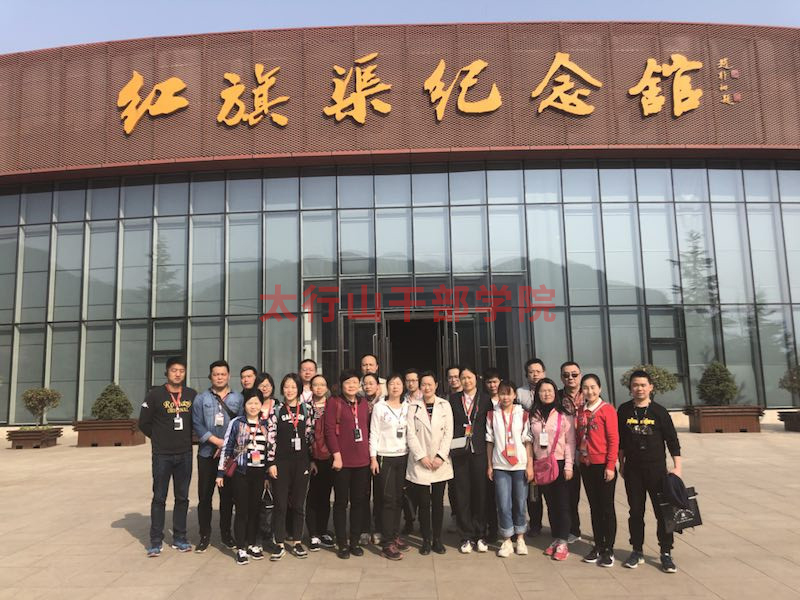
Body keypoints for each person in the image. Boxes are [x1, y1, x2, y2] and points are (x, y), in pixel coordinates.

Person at [618, 370, 682, 574]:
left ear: (651, 387)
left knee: (662, 512)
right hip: (633, 471)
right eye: (635, 385)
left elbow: (672, 440)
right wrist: (621, 464)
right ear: (630, 388)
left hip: (657, 471)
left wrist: (677, 467)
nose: (639, 388)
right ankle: (636, 550)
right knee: (635, 512)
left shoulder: (659, 412)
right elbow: (620, 441)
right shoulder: (624, 410)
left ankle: (666, 552)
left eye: (643, 385)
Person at [139, 357, 197, 557]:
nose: (178, 374)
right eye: (174, 370)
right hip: (162, 455)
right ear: (166, 372)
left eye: (181, 370)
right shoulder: (155, 395)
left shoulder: (191, 394)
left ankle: (180, 537)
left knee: (182, 498)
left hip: (185, 454)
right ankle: (156, 541)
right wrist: (159, 438)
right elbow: (143, 423)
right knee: (159, 497)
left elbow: (197, 420)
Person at [191, 360, 244, 552]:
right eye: (216, 374)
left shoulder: (238, 398)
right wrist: (217, 442)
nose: (219, 377)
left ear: (228, 376)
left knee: (227, 497)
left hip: (228, 457)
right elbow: (197, 424)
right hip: (207, 454)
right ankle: (204, 535)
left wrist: (226, 446)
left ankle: (226, 534)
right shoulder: (201, 398)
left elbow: (241, 423)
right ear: (210, 376)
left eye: (223, 374)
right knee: (205, 496)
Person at [215, 388, 269, 565]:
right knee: (242, 511)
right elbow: (227, 448)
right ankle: (241, 548)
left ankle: (252, 544)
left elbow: (270, 450)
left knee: (255, 510)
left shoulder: (266, 424)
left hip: (259, 473)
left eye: (256, 403)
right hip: (241, 473)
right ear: (244, 405)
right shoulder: (237, 423)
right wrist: (220, 472)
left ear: (261, 405)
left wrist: (267, 475)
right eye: (250, 403)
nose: (253, 406)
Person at [265, 373, 315, 560]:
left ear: (299, 389)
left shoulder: (306, 409)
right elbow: (271, 437)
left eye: (293, 387)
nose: (290, 390)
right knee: (280, 504)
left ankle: (297, 542)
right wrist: (271, 463)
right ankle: (279, 543)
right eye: (286, 386)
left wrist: (312, 460)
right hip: (281, 463)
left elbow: (310, 435)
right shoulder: (277, 410)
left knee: (299, 504)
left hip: (301, 462)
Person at [324, 369, 371, 559]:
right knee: (341, 503)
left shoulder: (363, 403)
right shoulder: (334, 402)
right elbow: (329, 430)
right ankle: (342, 543)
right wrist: (336, 455)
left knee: (359, 502)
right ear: (341, 385)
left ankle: (355, 541)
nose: (351, 386)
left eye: (354, 382)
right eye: (348, 382)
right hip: (342, 461)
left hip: (362, 461)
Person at [406, 371, 454, 555]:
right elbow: (410, 434)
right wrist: (421, 456)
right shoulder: (413, 407)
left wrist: (441, 456)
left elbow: (448, 433)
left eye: (430, 384)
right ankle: (426, 539)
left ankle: (437, 539)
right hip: (421, 462)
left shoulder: (444, 405)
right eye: (423, 384)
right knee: (424, 503)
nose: (426, 387)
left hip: (440, 462)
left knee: (438, 502)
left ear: (436, 385)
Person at [527, 377, 575, 561]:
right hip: (541, 464)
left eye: (549, 390)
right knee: (550, 503)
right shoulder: (533, 415)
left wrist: (569, 465)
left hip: (559, 462)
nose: (546, 394)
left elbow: (570, 442)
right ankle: (556, 538)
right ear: (537, 394)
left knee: (562, 503)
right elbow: (530, 441)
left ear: (555, 392)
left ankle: (563, 541)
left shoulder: (564, 414)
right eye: (542, 391)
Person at [575, 374, 619, 567]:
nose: (589, 391)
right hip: (587, 465)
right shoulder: (581, 411)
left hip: (603, 466)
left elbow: (613, 440)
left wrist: (610, 466)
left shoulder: (607, 410)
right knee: (594, 507)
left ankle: (609, 549)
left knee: (606, 508)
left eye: (593, 387)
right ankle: (598, 545)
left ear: (599, 389)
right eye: (585, 388)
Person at [486, 381, 532, 558]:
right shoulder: (492, 415)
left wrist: (529, 465)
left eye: (508, 393)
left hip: (519, 464)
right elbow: (489, 441)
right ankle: (506, 539)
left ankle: (520, 537)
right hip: (500, 465)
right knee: (503, 504)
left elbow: (527, 441)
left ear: (514, 395)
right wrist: (490, 465)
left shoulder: (523, 414)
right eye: (502, 393)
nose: (505, 397)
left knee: (520, 503)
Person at [449, 366, 491, 554]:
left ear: (476, 378)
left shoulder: (486, 399)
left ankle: (480, 534)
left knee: (480, 494)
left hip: (479, 452)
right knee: (462, 494)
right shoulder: (452, 400)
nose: (466, 381)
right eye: (463, 378)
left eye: (469, 377)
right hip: (459, 452)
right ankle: (466, 535)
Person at [370, 374, 411, 560]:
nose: (395, 386)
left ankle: (395, 535)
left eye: (398, 383)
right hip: (384, 457)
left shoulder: (408, 407)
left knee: (398, 499)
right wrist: (373, 458)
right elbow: (374, 433)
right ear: (387, 387)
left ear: (403, 387)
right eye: (392, 384)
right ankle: (387, 543)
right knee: (387, 500)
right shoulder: (380, 407)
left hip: (403, 456)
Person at [306, 374, 336, 551]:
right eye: (315, 385)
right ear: (310, 387)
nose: (319, 388)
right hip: (313, 458)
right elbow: (304, 436)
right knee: (312, 496)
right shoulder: (305, 407)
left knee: (325, 496)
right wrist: (310, 460)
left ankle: (323, 530)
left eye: (322, 384)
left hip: (331, 457)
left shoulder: (333, 405)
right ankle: (313, 534)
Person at [559, 361, 585, 544]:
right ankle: (573, 529)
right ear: (561, 378)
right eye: (566, 375)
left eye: (574, 374)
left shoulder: (590, 394)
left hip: (589, 451)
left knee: (595, 496)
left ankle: (601, 533)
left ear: (580, 375)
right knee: (570, 495)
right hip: (567, 451)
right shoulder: (557, 397)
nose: (570, 378)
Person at [361, 372, 384, 544]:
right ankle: (364, 529)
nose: (368, 386)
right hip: (362, 452)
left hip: (380, 451)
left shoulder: (384, 403)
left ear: (378, 386)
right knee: (363, 492)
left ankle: (379, 528)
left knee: (380, 493)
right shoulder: (359, 402)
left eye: (371, 383)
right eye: (365, 383)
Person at [401, 368, 422, 534]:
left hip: (422, 448)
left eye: (414, 380)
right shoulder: (402, 399)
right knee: (406, 489)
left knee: (421, 488)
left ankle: (423, 521)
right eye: (408, 380)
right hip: (404, 448)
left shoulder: (425, 398)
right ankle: (409, 520)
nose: (411, 383)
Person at [483, 367, 502, 540]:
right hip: (489, 451)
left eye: (495, 381)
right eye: (489, 382)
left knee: (507, 494)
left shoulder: (508, 399)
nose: (492, 385)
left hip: (507, 453)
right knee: (490, 494)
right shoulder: (482, 401)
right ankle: (493, 528)